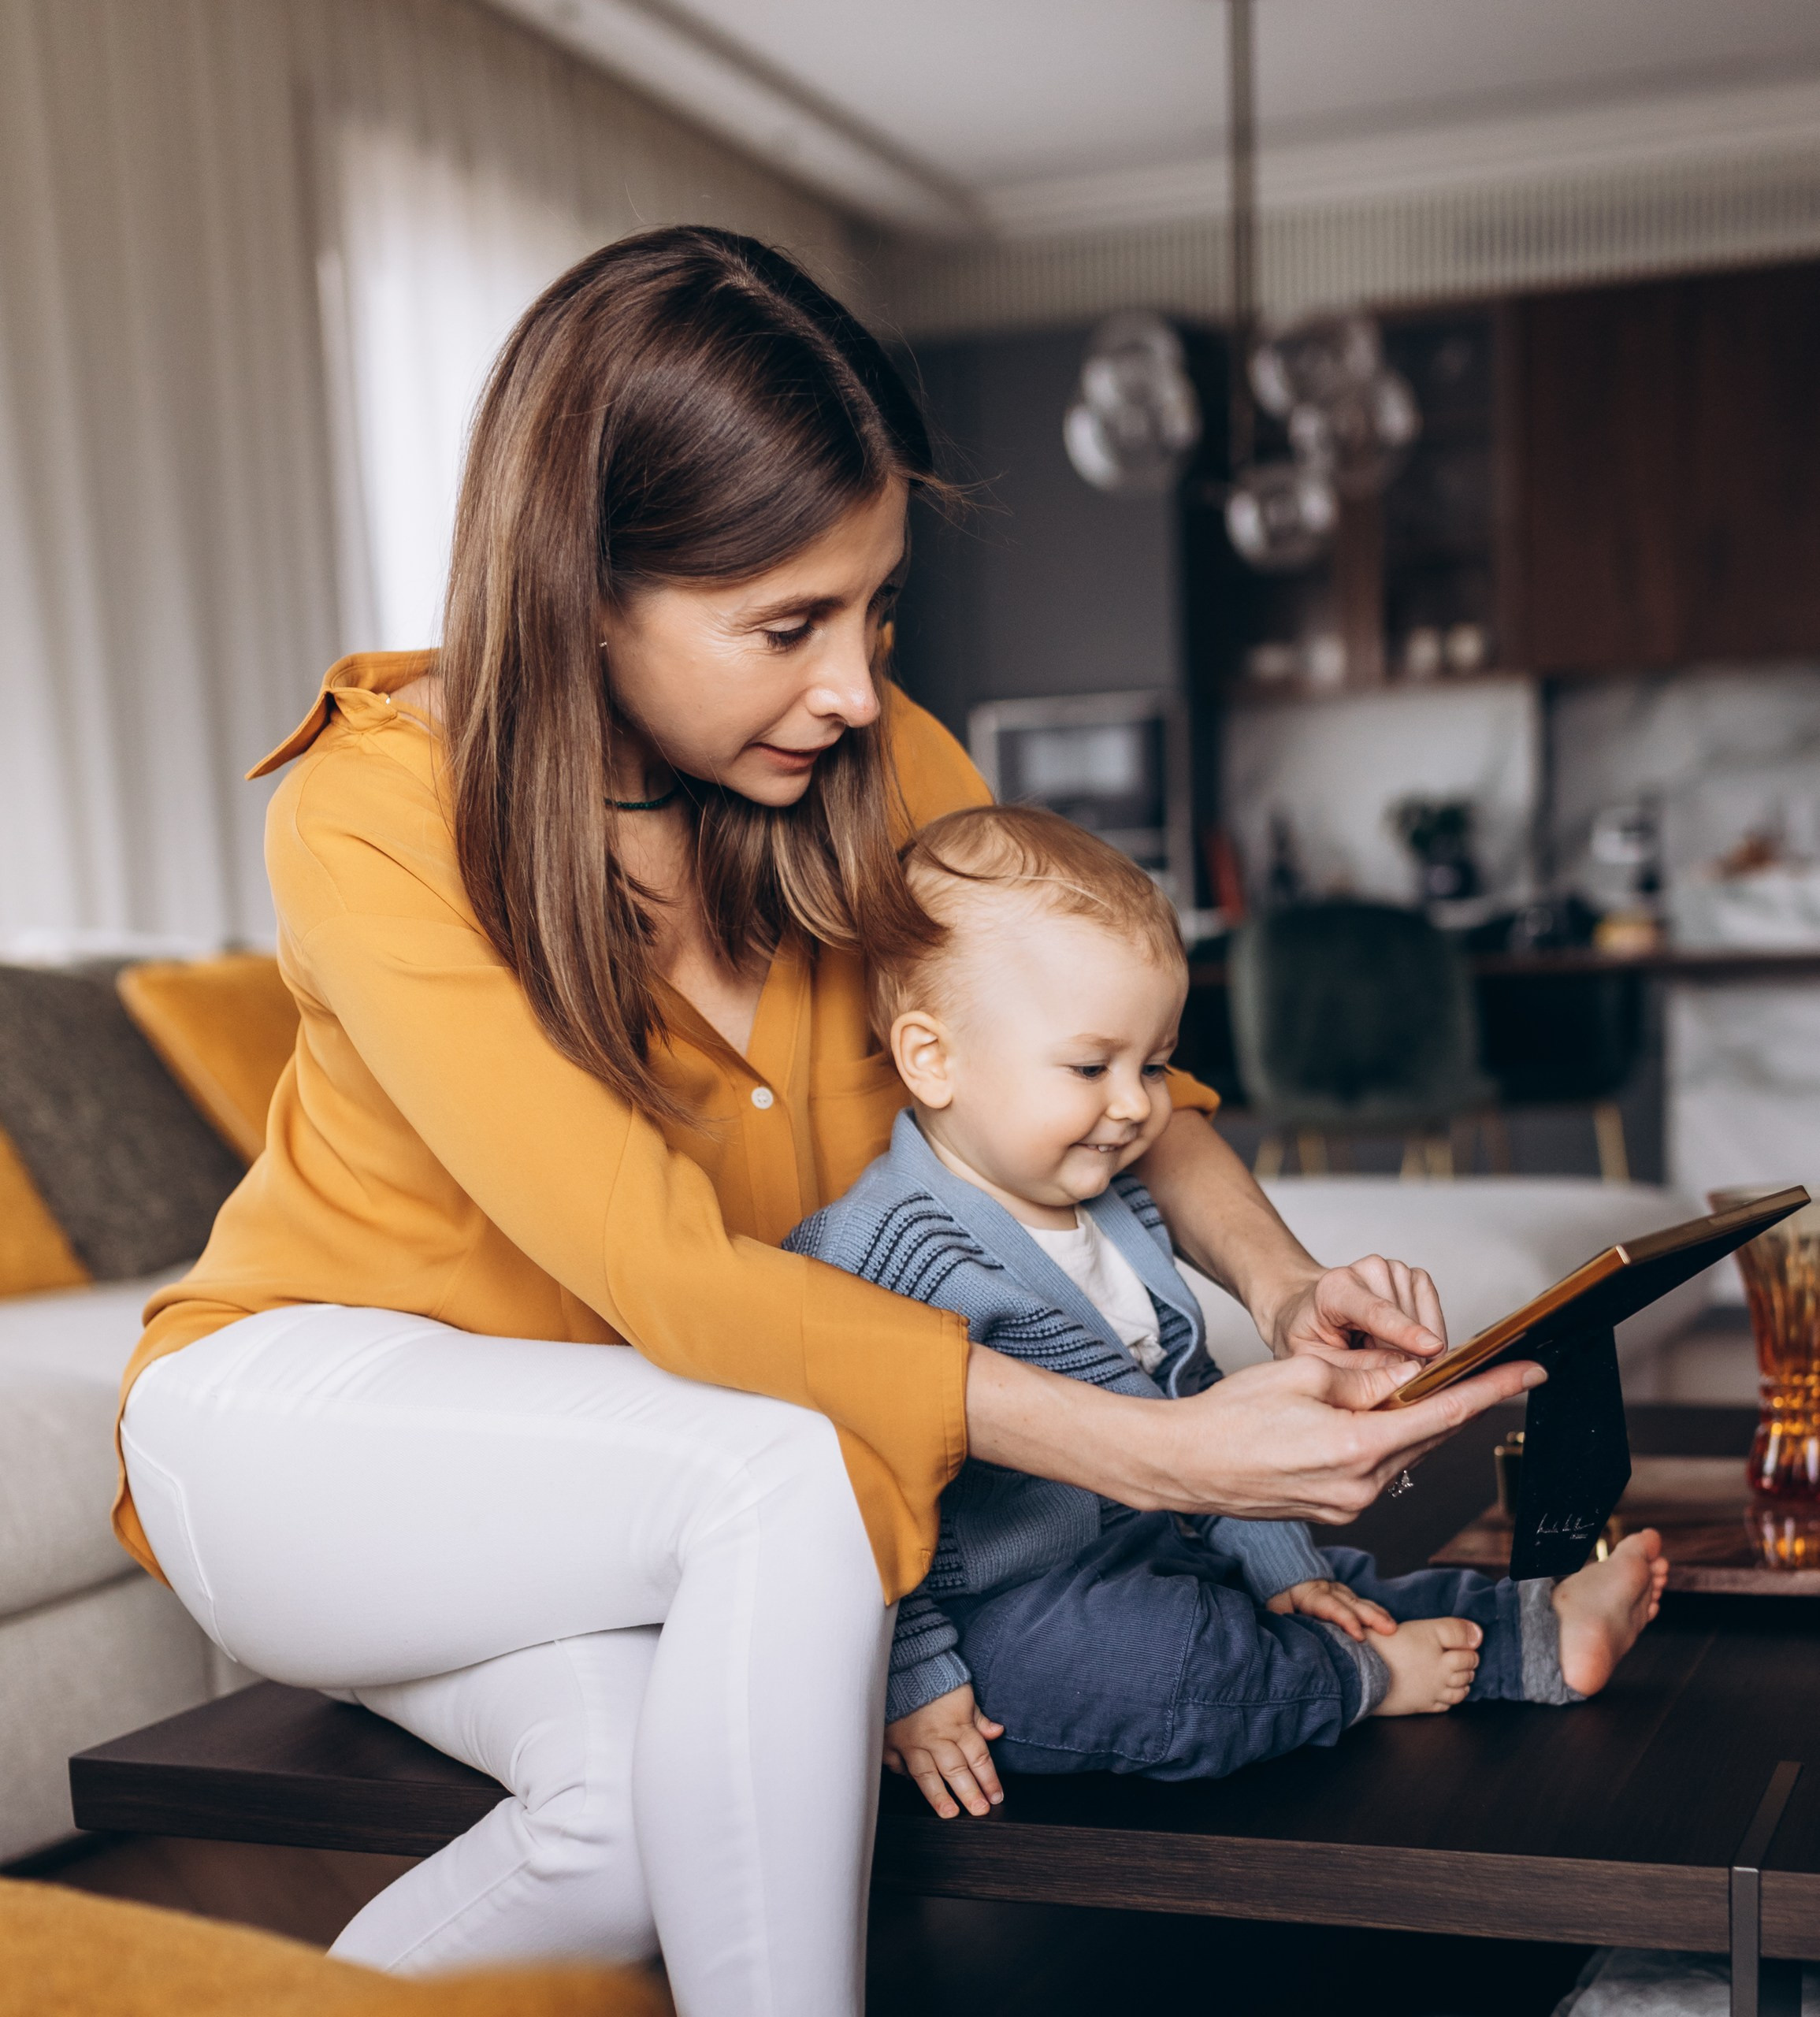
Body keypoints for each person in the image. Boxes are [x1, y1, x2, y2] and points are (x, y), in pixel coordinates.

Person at [110, 227, 1538, 2017]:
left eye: (873, 611)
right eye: (786, 626)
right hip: (303, 1435)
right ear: (585, 585)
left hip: (614, 1487)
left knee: (633, 1818)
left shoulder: (877, 763)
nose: (856, 684)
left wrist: (1279, 1279)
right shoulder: (378, 808)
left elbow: (1106, 1068)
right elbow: (671, 1279)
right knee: (779, 1461)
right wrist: (1155, 1448)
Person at [786, 805, 1670, 1820]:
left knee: (1322, 1577)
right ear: (931, 1058)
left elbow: (1186, 1402)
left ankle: (1535, 1634)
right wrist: (912, 1683)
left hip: (1145, 1543)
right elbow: (846, 1500)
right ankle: (1357, 1682)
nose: (1135, 1109)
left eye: (1154, 1066)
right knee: (1169, 1668)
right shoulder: (877, 1250)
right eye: (1091, 1068)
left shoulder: (1115, 1212)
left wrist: (1273, 1557)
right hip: (1001, 1617)